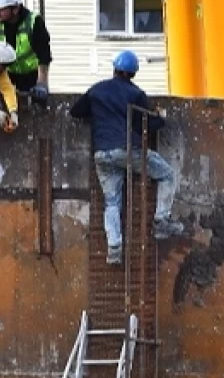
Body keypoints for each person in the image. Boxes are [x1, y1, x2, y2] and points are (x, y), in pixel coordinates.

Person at [70, 50, 181, 265]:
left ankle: (114, 248)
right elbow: (145, 125)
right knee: (167, 174)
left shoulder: (97, 90)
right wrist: (161, 118)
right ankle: (161, 220)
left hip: (102, 153)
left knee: (112, 202)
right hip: (127, 150)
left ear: (114, 69)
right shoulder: (135, 94)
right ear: (133, 74)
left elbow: (76, 111)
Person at [0, 0, 52, 100]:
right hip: (3, 74)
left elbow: (44, 55)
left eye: (1, 9)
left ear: (15, 9)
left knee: (33, 107)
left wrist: (42, 83)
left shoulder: (34, 22)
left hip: (31, 77)